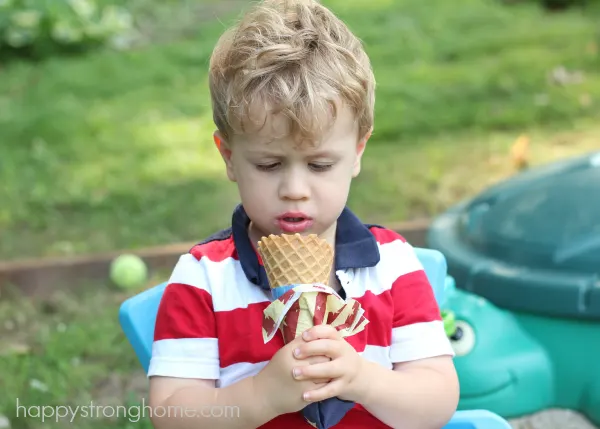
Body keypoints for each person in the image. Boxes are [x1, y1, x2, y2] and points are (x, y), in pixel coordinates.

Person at [146, 0, 459, 428]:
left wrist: (363, 379)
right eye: (269, 165)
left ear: (357, 153)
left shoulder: (393, 266)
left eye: (320, 165)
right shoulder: (205, 280)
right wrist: (260, 396)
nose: (295, 190)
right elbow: (171, 415)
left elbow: (436, 401)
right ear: (230, 157)